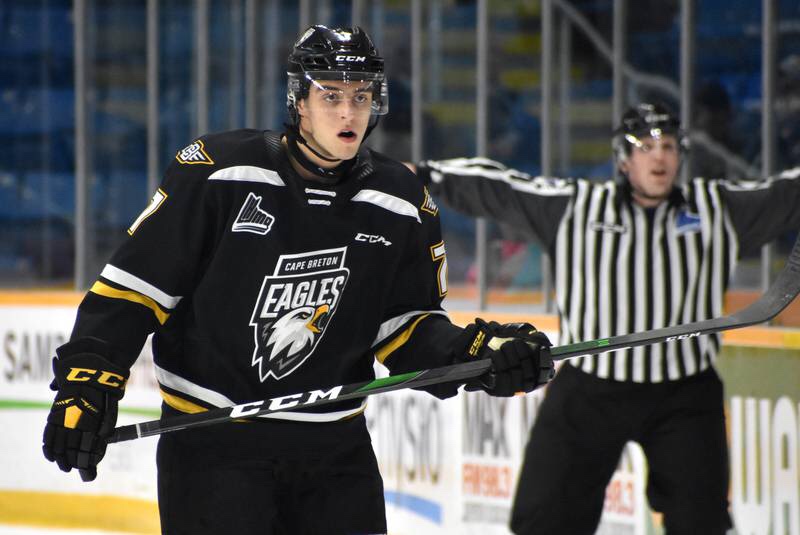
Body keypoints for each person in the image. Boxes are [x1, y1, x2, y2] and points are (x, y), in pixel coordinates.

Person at [41, 25, 554, 535]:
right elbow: (133, 291)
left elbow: (406, 327)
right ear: (299, 101)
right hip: (214, 446)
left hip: (335, 455)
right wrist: (87, 380)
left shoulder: (401, 200)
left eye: (360, 96)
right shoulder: (219, 173)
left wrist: (479, 354)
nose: (348, 112)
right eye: (331, 96)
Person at [413, 102, 800, 535]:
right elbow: (503, 189)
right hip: (592, 390)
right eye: (646, 147)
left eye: (669, 147)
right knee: (544, 520)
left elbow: (785, 195)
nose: (659, 157)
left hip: (685, 395)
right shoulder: (579, 207)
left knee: (701, 522)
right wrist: (426, 175)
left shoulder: (716, 208)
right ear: (624, 158)